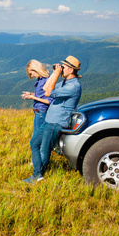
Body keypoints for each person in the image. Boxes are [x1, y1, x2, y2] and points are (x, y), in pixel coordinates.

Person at [23, 55, 82, 184]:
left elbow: (48, 93)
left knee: (44, 149)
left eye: (64, 67)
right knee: (34, 143)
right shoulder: (66, 83)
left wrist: (55, 73)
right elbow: (45, 89)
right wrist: (56, 73)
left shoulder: (73, 86)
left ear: (71, 70)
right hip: (50, 120)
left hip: (57, 122)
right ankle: (38, 172)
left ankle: (37, 175)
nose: (61, 68)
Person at [21, 60, 54, 137]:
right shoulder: (40, 80)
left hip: (42, 112)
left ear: (36, 70)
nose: (32, 76)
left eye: (31, 73)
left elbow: (50, 100)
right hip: (38, 112)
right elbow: (42, 95)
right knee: (36, 136)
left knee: (37, 138)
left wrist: (33, 97)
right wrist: (30, 94)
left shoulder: (47, 81)